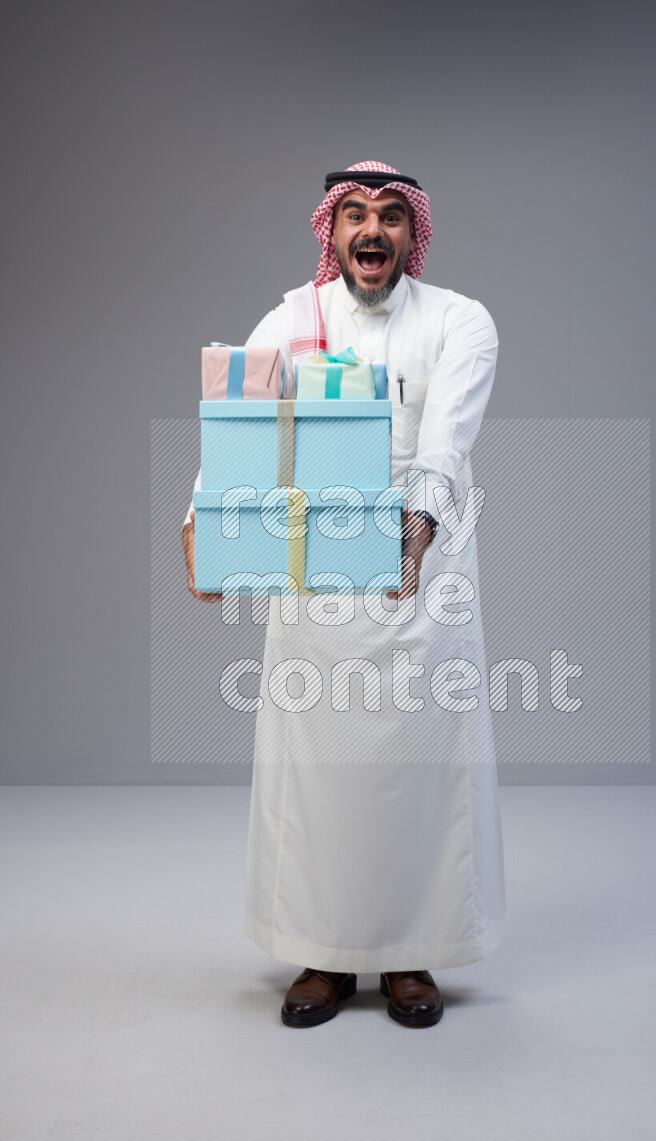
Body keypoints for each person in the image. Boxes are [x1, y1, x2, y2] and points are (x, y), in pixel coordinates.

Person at [182, 161, 506, 1028]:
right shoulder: (294, 318)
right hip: (315, 570)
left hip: (421, 571)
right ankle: (322, 954)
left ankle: (409, 956)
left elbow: (447, 439)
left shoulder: (459, 321)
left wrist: (420, 523)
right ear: (330, 233)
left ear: (413, 234)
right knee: (319, 773)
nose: (372, 231)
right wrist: (203, 516)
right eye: (355, 215)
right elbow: (245, 424)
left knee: (417, 768)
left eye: (392, 217)